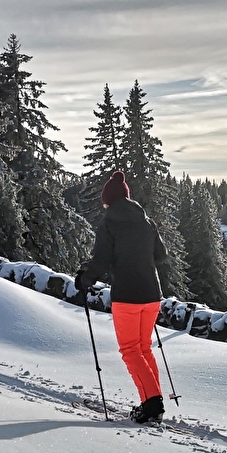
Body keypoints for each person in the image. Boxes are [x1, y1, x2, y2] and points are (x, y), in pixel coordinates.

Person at [74, 170, 171, 424]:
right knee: (143, 348)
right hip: (152, 294)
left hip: (127, 296)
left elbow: (101, 261)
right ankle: (152, 399)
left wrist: (85, 279)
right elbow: (161, 255)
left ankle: (152, 404)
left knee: (130, 351)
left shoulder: (109, 223)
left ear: (109, 201)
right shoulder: (146, 222)